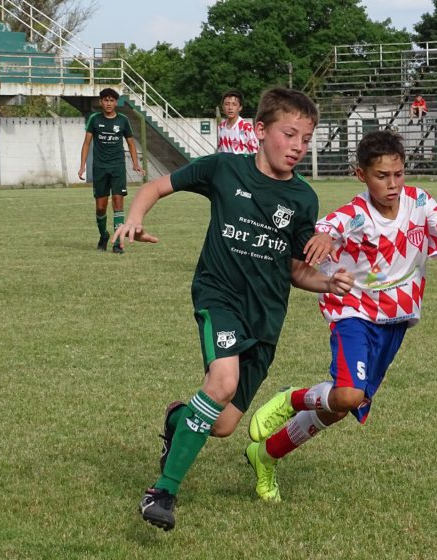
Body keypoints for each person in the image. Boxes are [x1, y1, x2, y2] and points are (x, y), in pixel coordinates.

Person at [111, 87, 354, 532]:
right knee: (222, 381)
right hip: (218, 296)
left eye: (307, 138)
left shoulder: (303, 199)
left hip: (266, 319)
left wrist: (328, 281)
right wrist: (134, 217)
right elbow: (156, 186)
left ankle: (176, 419)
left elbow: (296, 272)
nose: (299, 146)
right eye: (290, 134)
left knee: (221, 424)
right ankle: (161, 492)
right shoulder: (224, 168)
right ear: (260, 130)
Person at [243, 130, 437, 503]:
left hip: (396, 321)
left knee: (340, 405)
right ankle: (292, 399)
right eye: (382, 176)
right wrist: (321, 237)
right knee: (348, 395)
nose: (393, 184)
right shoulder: (358, 214)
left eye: (398, 174)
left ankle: (267, 454)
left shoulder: (420, 202)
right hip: (353, 313)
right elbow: (331, 226)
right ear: (361, 175)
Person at [78, 88, 143, 254]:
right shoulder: (94, 119)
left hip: (117, 167)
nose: (108, 103)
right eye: (105, 100)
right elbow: (86, 143)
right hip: (99, 168)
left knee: (117, 202)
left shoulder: (123, 120)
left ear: (116, 102)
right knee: (100, 207)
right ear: (101, 102)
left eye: (112, 100)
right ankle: (103, 235)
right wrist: (82, 165)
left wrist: (135, 163)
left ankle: (117, 243)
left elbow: (131, 143)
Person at [217, 89, 259, 154]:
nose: (230, 107)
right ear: (222, 107)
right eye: (227, 104)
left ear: (240, 107)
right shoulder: (221, 127)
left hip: (241, 164)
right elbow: (220, 152)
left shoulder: (246, 127)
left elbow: (255, 153)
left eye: (234, 104)